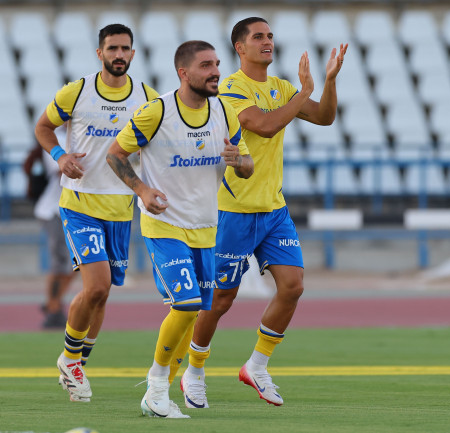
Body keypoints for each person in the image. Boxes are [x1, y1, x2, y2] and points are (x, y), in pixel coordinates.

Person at [183, 16, 347, 408]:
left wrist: (328, 82)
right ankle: (194, 371)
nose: (268, 41)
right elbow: (264, 125)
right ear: (240, 47)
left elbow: (325, 117)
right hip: (233, 211)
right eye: (259, 37)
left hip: (273, 210)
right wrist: (303, 93)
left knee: (293, 286)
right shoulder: (231, 88)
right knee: (220, 299)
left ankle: (257, 366)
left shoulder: (282, 88)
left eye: (270, 36)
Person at [107, 40, 253, 419]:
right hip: (164, 224)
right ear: (183, 73)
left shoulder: (225, 111)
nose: (216, 71)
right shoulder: (157, 112)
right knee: (186, 304)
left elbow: (246, 164)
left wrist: (239, 161)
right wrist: (142, 190)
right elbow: (115, 154)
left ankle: (160, 393)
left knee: (194, 312)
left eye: (217, 64)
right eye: (206, 65)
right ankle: (156, 387)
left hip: (206, 227)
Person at [33, 24, 159, 402]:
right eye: (112, 48)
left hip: (120, 209)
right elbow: (43, 127)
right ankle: (70, 361)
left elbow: (162, 144)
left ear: (133, 53)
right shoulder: (77, 91)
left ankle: (77, 364)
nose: (119, 54)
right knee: (97, 286)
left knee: (101, 296)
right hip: (80, 204)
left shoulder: (148, 98)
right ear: (100, 53)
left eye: (125, 48)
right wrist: (60, 156)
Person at [24, 125, 76, 328]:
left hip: (72, 210)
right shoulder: (57, 138)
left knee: (79, 262)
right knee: (61, 261)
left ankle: (53, 303)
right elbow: (61, 170)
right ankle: (54, 308)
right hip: (54, 210)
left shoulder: (78, 135)